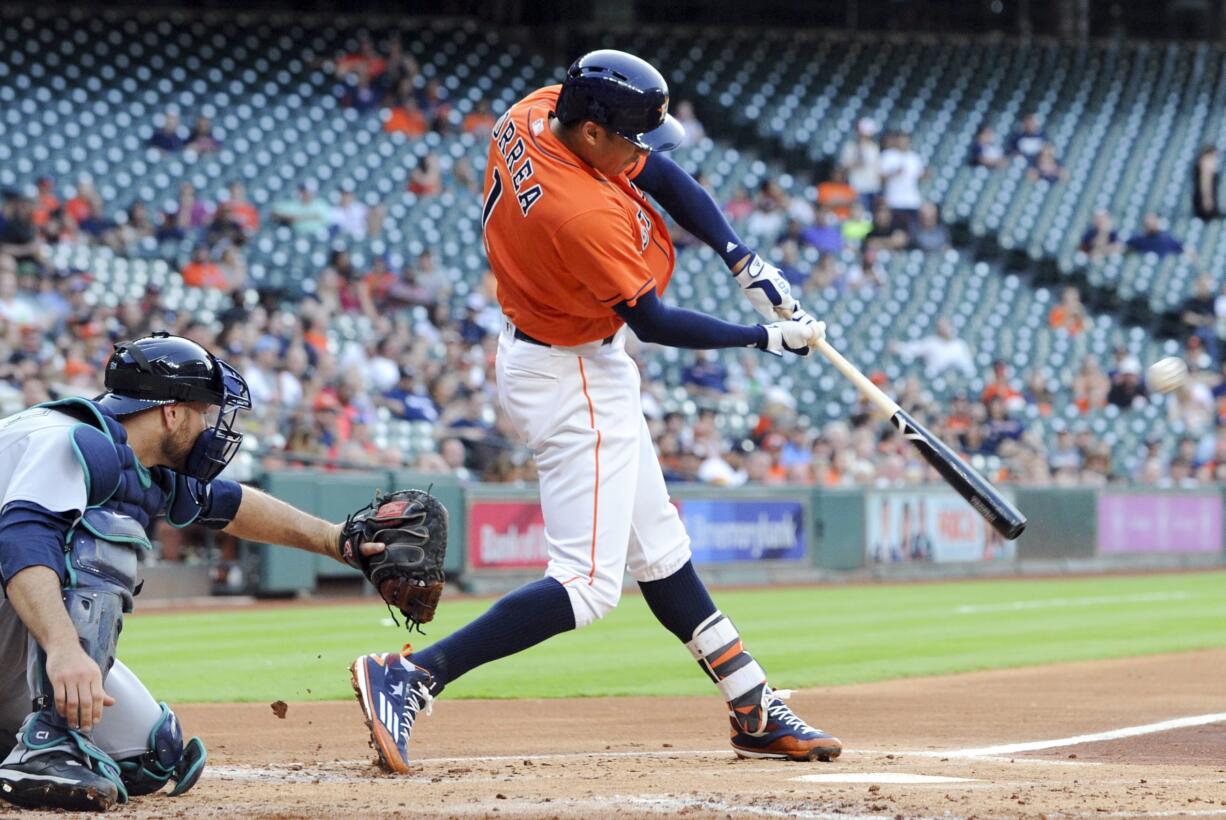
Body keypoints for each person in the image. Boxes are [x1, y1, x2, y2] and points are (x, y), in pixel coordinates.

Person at [350, 49, 839, 773]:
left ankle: (752, 705)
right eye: (630, 138)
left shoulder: (541, 111)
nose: (641, 150)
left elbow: (659, 173)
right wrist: (764, 336)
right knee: (585, 585)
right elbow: (656, 323)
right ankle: (413, 677)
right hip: (569, 371)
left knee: (662, 555)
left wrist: (744, 260)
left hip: (557, 350)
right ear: (592, 134)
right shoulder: (579, 213)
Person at [0, 333, 385, 811]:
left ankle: (22, 743)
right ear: (172, 412)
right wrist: (62, 649)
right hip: (13, 601)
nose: (211, 426)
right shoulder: (72, 440)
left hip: (8, 630)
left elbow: (231, 504)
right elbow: (20, 543)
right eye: (203, 412)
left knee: (147, 756)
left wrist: (336, 540)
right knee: (102, 538)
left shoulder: (131, 459)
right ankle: (48, 742)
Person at [838, 117, 881, 210]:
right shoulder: (849, 147)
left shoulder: (874, 148)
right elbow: (845, 166)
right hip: (856, 186)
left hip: (873, 186)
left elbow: (876, 168)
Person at [1193, 144, 1219, 220]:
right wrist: (1207, 198)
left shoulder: (1200, 162)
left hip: (1200, 197)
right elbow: (1205, 182)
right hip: (1204, 198)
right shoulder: (1207, 162)